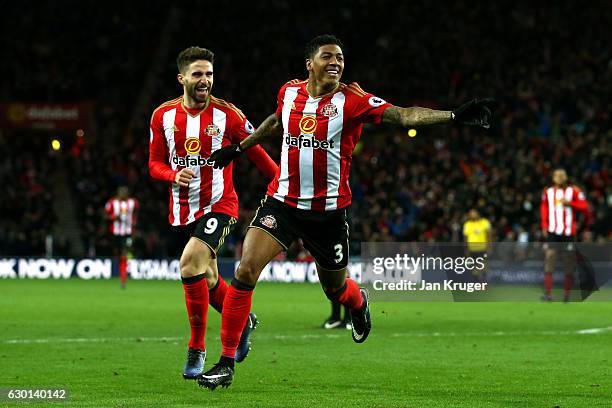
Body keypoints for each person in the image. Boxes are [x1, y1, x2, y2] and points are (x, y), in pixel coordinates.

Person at [199, 34, 493, 389]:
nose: (336, 62)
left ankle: (358, 303)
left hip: (328, 215)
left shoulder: (352, 100)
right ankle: (226, 362)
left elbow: (403, 116)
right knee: (245, 270)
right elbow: (276, 122)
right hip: (283, 203)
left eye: (340, 57)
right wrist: (240, 148)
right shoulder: (289, 92)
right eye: (328, 57)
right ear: (311, 63)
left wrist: (453, 115)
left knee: (335, 290)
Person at [148, 46, 278, 380]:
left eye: (209, 73)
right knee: (206, 279)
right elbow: (154, 163)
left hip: (220, 205)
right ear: (182, 79)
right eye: (197, 74)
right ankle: (243, 321)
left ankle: (196, 347)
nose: (205, 80)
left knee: (190, 263)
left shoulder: (228, 115)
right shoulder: (162, 116)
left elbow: (256, 151)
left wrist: (283, 184)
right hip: (183, 210)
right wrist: (172, 175)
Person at [540, 168, 590, 301]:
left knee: (568, 262)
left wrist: (570, 203)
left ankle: (566, 295)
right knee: (550, 257)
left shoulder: (574, 191)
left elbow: (585, 207)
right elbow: (544, 208)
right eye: (557, 175)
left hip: (568, 232)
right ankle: (548, 294)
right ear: (553, 177)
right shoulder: (548, 191)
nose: (559, 177)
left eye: (562, 175)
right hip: (552, 231)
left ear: (566, 177)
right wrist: (544, 225)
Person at [104, 186, 138, 289]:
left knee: (124, 254)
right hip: (115, 234)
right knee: (118, 255)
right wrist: (113, 217)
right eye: (121, 192)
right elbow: (104, 216)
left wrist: (134, 226)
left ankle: (123, 280)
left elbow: (136, 215)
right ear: (118, 193)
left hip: (127, 233)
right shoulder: (111, 203)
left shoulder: (133, 202)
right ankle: (119, 273)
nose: (123, 194)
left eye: (125, 192)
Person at [462, 208, 492, 282]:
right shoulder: (467, 224)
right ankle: (476, 282)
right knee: (473, 267)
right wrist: (466, 249)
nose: (472, 215)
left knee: (483, 265)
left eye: (473, 213)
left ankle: (484, 282)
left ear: (478, 214)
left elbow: (489, 236)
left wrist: (490, 247)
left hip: (483, 248)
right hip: (472, 249)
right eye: (470, 213)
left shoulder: (485, 222)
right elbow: (465, 238)